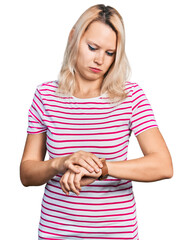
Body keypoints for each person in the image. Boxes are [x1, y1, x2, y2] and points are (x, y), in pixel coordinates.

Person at [20, 4, 173, 240]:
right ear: (74, 38)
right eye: (92, 47)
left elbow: (163, 165)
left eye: (110, 53)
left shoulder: (130, 96)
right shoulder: (45, 95)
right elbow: (27, 174)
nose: (100, 59)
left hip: (116, 233)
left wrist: (103, 168)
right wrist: (59, 164)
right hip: (56, 232)